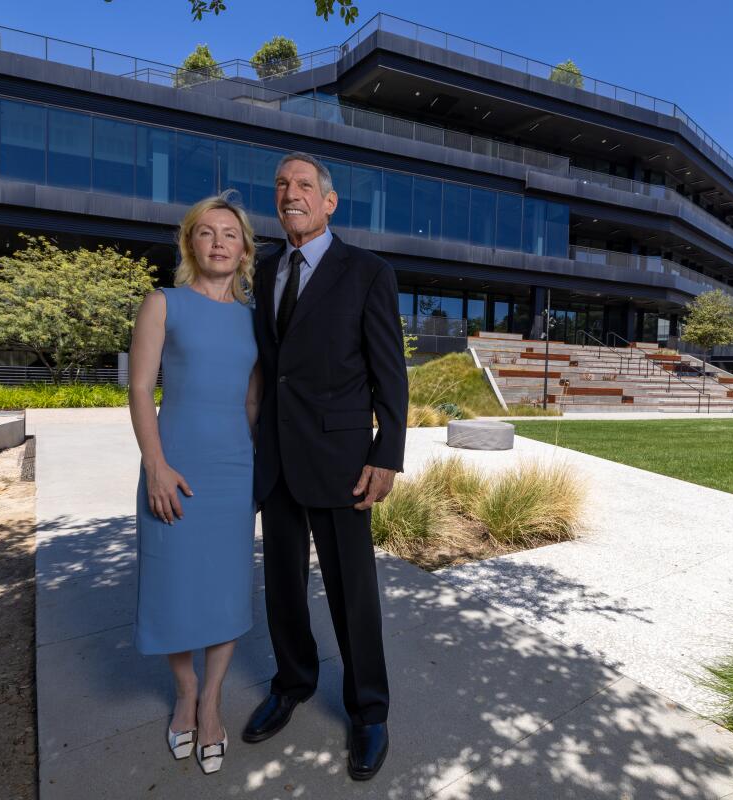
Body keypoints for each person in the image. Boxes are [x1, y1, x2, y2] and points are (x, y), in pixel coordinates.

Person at [242, 152, 408, 781]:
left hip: (342, 459)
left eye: (304, 185)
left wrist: (386, 454)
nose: (292, 193)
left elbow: (389, 371)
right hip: (277, 456)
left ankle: (369, 711)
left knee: (352, 593)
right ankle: (293, 682)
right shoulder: (264, 270)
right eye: (282, 184)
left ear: (329, 202)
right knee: (282, 583)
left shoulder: (366, 272)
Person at [128, 192, 262, 775]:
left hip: (234, 469)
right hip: (174, 465)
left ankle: (212, 701)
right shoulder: (163, 303)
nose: (217, 243)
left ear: (244, 249)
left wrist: (246, 452)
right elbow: (138, 390)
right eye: (206, 233)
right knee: (175, 583)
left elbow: (254, 396)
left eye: (229, 234)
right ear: (190, 243)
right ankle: (185, 691)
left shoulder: (255, 319)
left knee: (227, 586)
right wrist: (155, 464)